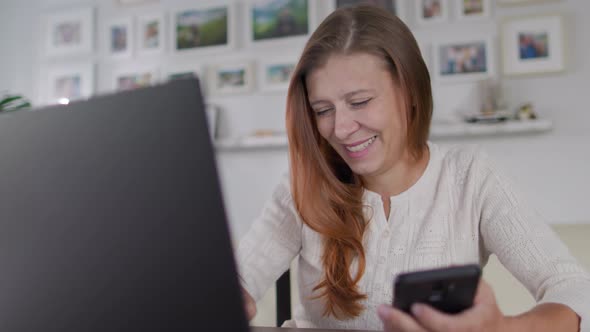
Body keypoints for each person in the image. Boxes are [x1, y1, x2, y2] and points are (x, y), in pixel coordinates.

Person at [236, 5, 590, 332]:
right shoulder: (303, 186)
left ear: (411, 92)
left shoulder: (471, 178)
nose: (340, 128)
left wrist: (502, 328)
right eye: (323, 110)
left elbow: (574, 290)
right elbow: (238, 278)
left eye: (359, 102)